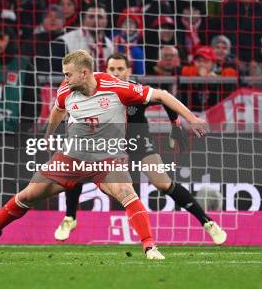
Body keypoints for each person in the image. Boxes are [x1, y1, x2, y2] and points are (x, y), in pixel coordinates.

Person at [0, 50, 208, 260]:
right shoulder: (66, 90)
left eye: (68, 74)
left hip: (107, 160)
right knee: (27, 195)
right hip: (70, 159)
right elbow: (57, 110)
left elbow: (163, 96)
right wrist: (48, 136)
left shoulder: (117, 88)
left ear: (84, 73)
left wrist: (192, 119)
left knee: (127, 193)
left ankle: (150, 247)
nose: (64, 78)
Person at [54, 53, 227, 245]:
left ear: (128, 71)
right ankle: (70, 218)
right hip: (106, 141)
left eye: (120, 69)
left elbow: (163, 98)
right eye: (112, 69)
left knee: (162, 183)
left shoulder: (133, 89)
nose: (116, 73)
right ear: (106, 70)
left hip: (137, 139)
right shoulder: (97, 87)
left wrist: (176, 123)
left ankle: (208, 223)